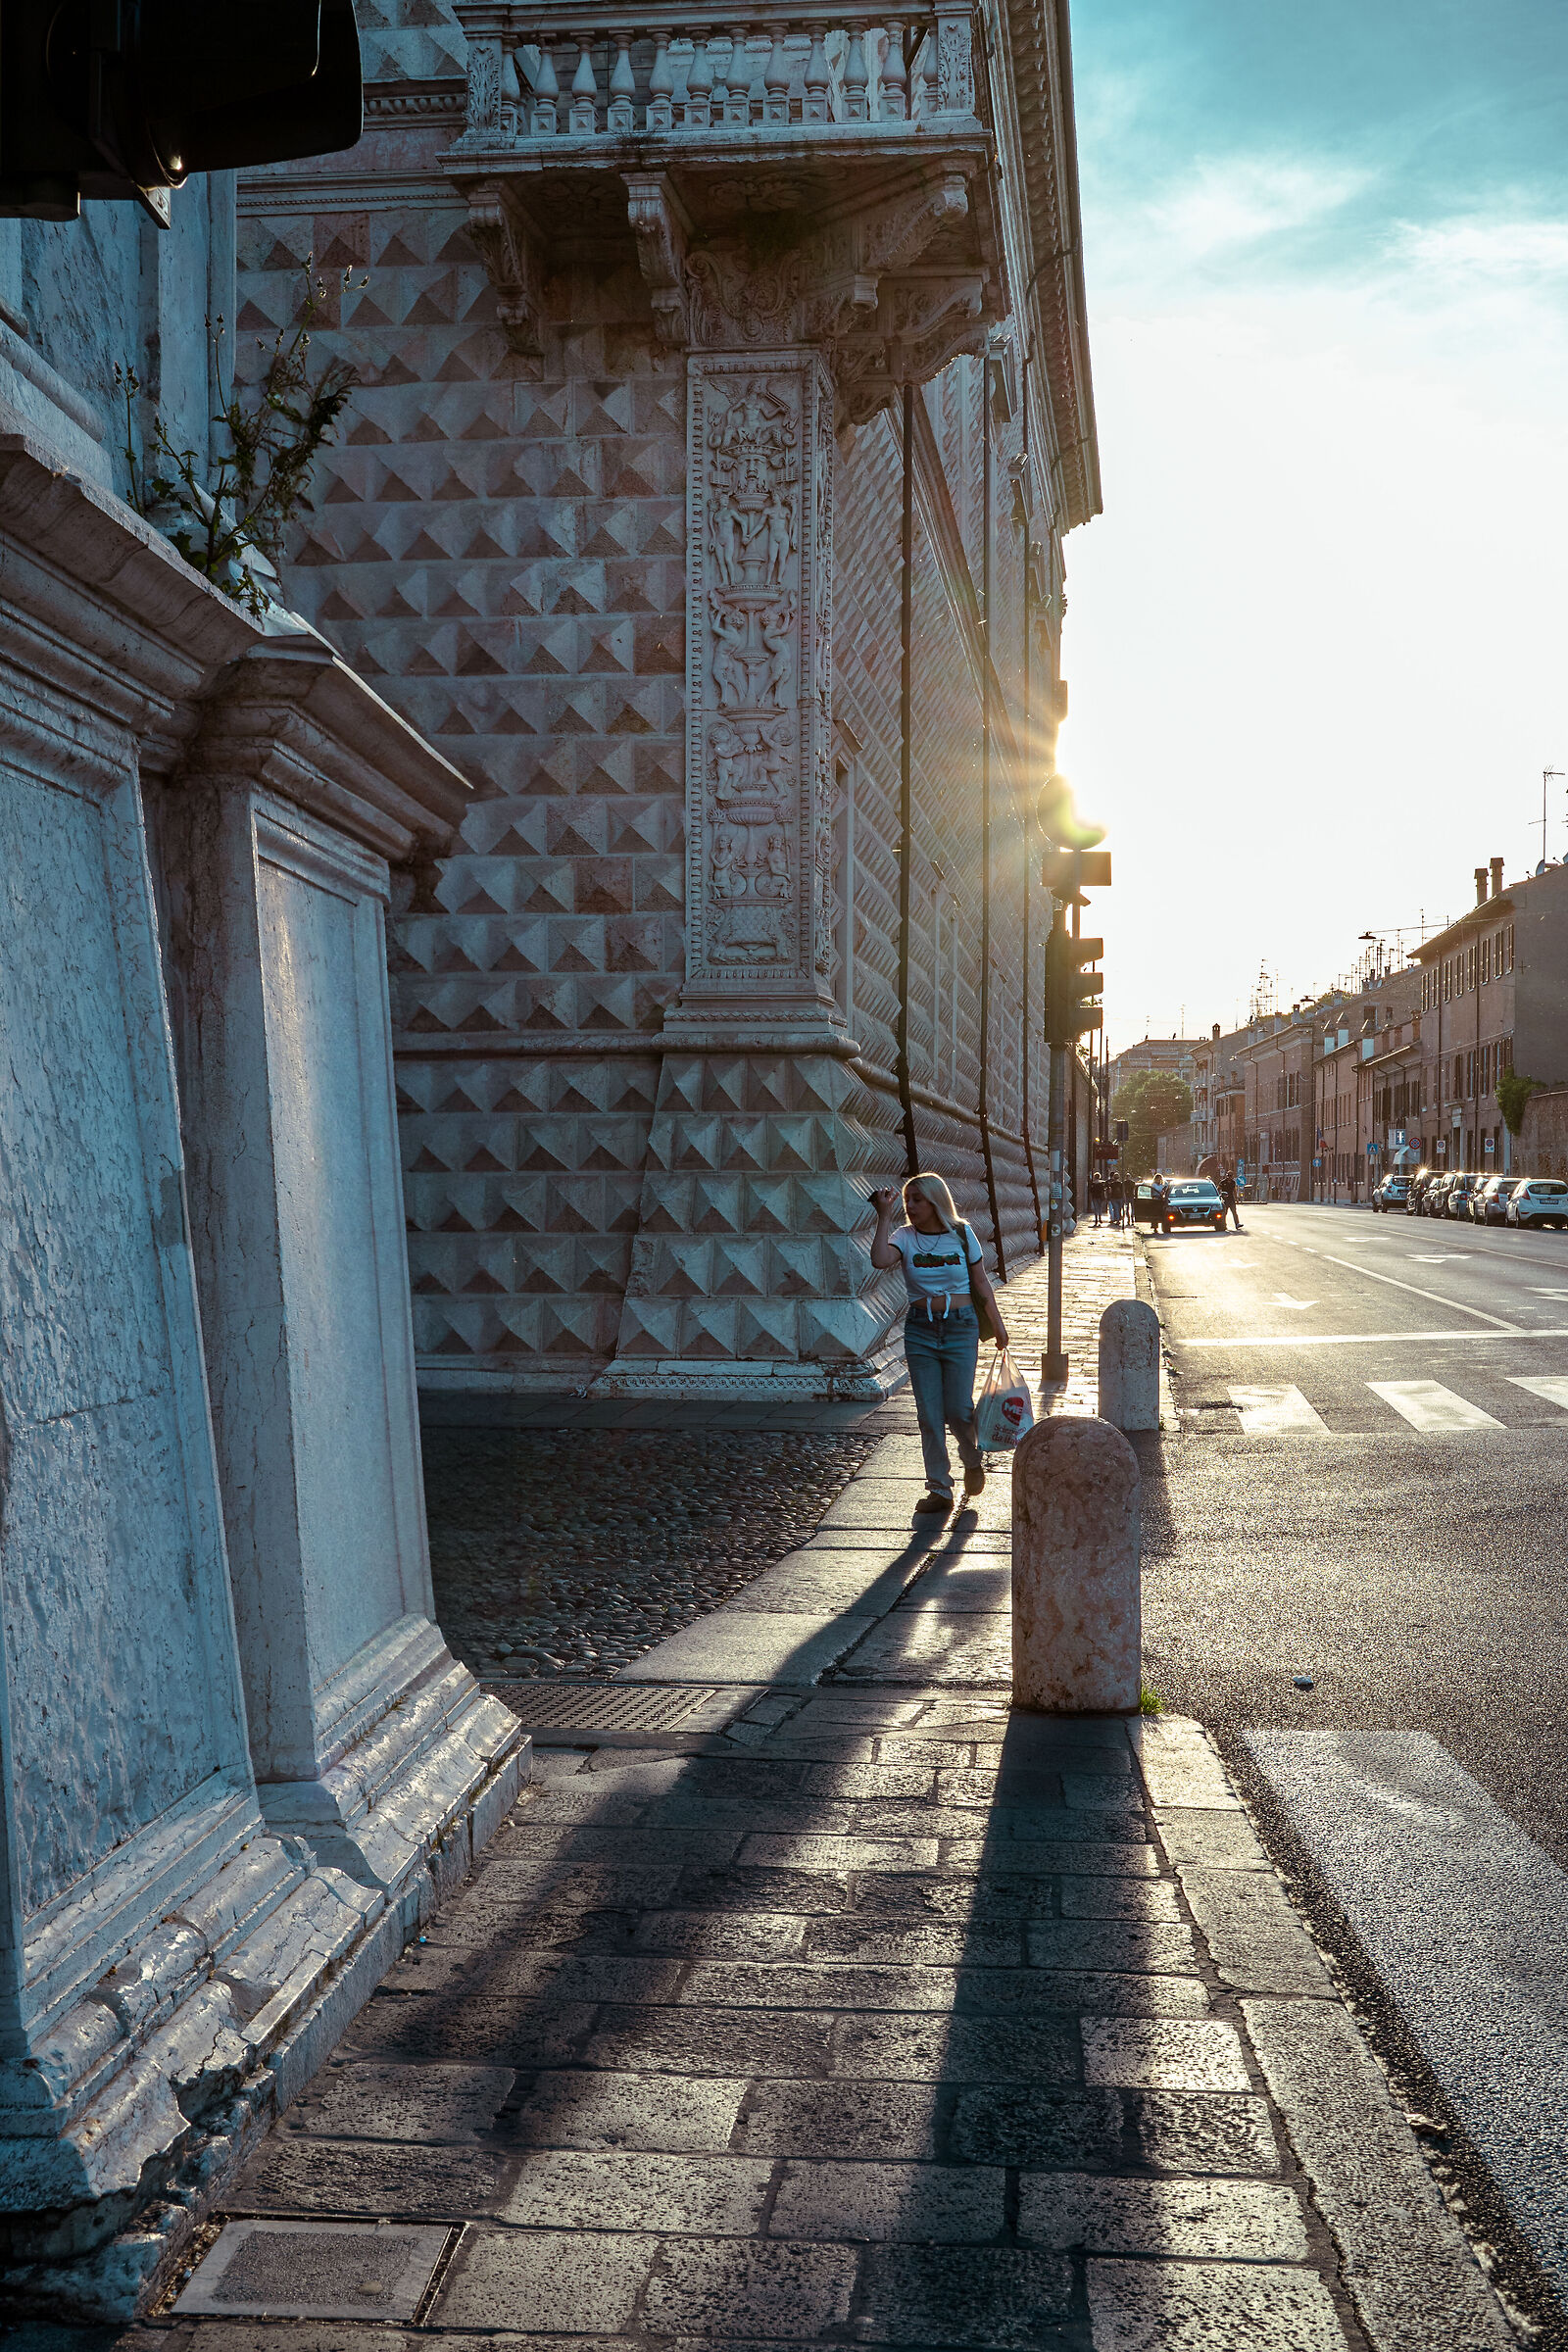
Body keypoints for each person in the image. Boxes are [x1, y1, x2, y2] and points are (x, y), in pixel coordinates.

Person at [869, 1173, 1009, 1519]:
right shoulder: (904, 1236)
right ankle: (939, 1488)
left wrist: (998, 1323)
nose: (911, 1206)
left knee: (959, 1409)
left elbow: (981, 1282)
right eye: (907, 1200)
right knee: (929, 1415)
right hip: (920, 1331)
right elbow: (879, 1260)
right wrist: (884, 1216)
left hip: (961, 1328)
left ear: (935, 1201)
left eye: (917, 1199)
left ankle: (972, 1456)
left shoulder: (961, 1233)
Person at [1218, 1164, 1243, 1230]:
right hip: (1225, 1200)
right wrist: (1220, 1196)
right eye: (1228, 1176)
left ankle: (1237, 1224)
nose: (1229, 1177)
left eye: (1230, 1176)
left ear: (1232, 1176)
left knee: (1234, 1212)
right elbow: (1218, 1189)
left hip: (1231, 1199)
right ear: (1226, 1176)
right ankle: (1224, 1225)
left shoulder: (1233, 1182)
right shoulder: (1223, 1182)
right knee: (1224, 1213)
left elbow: (1234, 1190)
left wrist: (1236, 1198)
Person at [1149, 1171, 1170, 1236]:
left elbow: (1164, 1191)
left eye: (1160, 1179)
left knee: (1162, 1213)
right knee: (1155, 1214)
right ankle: (1155, 1227)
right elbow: (1153, 1192)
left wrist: (1164, 1191)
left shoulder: (1162, 1185)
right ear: (1155, 1179)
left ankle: (1165, 1226)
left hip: (1161, 1200)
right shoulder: (1153, 1185)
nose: (1159, 1180)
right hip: (1155, 1200)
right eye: (1158, 1178)